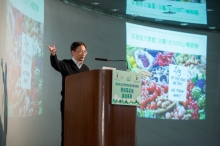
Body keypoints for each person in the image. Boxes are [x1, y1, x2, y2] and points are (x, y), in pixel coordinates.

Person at [47, 42, 89, 146]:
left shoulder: (86, 69)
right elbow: (55, 63)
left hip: (82, 105)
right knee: (68, 132)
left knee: (81, 132)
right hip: (68, 104)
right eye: (81, 51)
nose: (83, 54)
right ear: (73, 52)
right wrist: (53, 54)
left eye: (85, 51)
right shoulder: (66, 64)